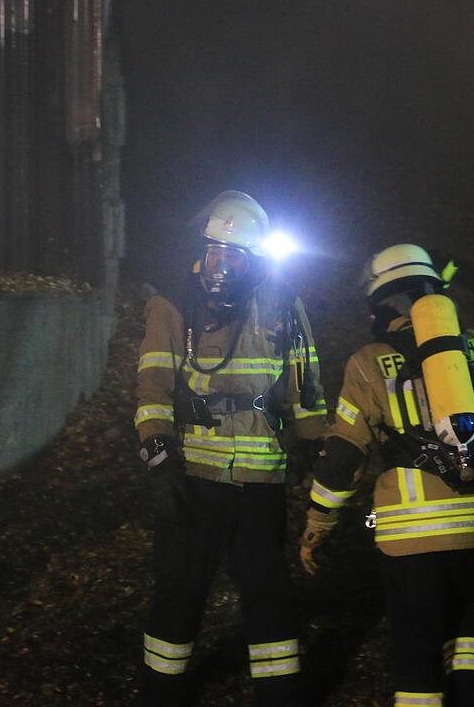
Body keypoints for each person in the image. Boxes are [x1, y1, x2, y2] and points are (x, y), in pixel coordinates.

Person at [299, 244, 474, 707]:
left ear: (379, 306)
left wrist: (319, 524)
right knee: (473, 627)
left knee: (416, 647)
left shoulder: (369, 362)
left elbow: (342, 457)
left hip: (410, 537)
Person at [135, 190, 327, 706]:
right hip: (194, 476)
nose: (222, 263)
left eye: (235, 253)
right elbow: (152, 389)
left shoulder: (283, 305)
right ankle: (160, 694)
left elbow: (306, 387)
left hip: (261, 480)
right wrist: (159, 460)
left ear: (256, 258)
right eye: (216, 249)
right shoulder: (173, 304)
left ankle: (281, 695)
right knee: (180, 590)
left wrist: (313, 448)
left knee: (268, 594)